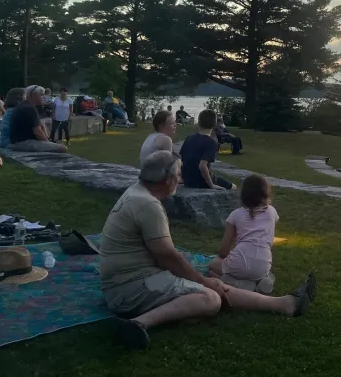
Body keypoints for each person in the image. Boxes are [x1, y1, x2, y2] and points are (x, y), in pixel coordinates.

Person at [100, 150, 315, 350]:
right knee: (211, 298)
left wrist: (200, 278)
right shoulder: (148, 205)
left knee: (213, 285)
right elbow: (167, 257)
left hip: (129, 282)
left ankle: (283, 304)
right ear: (168, 180)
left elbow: (162, 254)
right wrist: (203, 281)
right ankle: (137, 324)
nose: (181, 179)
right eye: (178, 174)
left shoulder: (137, 192)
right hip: (129, 290)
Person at [209, 174, 278, 294]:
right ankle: (263, 282)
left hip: (239, 261)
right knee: (266, 272)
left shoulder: (235, 215)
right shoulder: (272, 212)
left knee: (212, 265)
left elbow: (223, 251)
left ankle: (236, 283)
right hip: (263, 263)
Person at [179, 110, 236, 190]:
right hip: (201, 181)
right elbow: (202, 166)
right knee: (233, 187)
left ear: (199, 123)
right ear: (214, 124)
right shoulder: (211, 142)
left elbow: (182, 159)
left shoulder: (189, 138)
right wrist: (211, 185)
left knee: (218, 178)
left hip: (187, 180)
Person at [7, 85, 68, 153]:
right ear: (31, 95)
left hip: (18, 142)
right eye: (41, 95)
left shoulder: (24, 105)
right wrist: (49, 143)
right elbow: (38, 132)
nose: (43, 97)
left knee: (57, 144)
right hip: (23, 143)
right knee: (63, 148)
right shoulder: (29, 108)